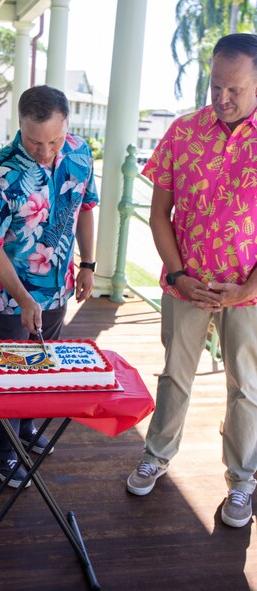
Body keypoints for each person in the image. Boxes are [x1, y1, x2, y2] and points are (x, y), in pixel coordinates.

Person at [126, 33, 257, 528]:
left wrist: (248, 288)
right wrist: (178, 274)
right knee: (175, 376)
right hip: (186, 284)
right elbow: (160, 214)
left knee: (246, 386)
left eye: (236, 90)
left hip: (249, 293)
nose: (222, 99)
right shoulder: (182, 132)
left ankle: (242, 481)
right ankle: (156, 455)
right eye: (215, 86)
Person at [0, 85, 98, 487]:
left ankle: (26, 428)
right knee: (8, 373)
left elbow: (85, 209)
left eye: (54, 140)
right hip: (13, 295)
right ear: (19, 126)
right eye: (34, 141)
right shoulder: (0, 171)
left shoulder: (79, 153)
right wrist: (23, 297)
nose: (45, 151)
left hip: (59, 288)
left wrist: (89, 265)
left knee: (44, 364)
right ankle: (2, 450)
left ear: (67, 126)